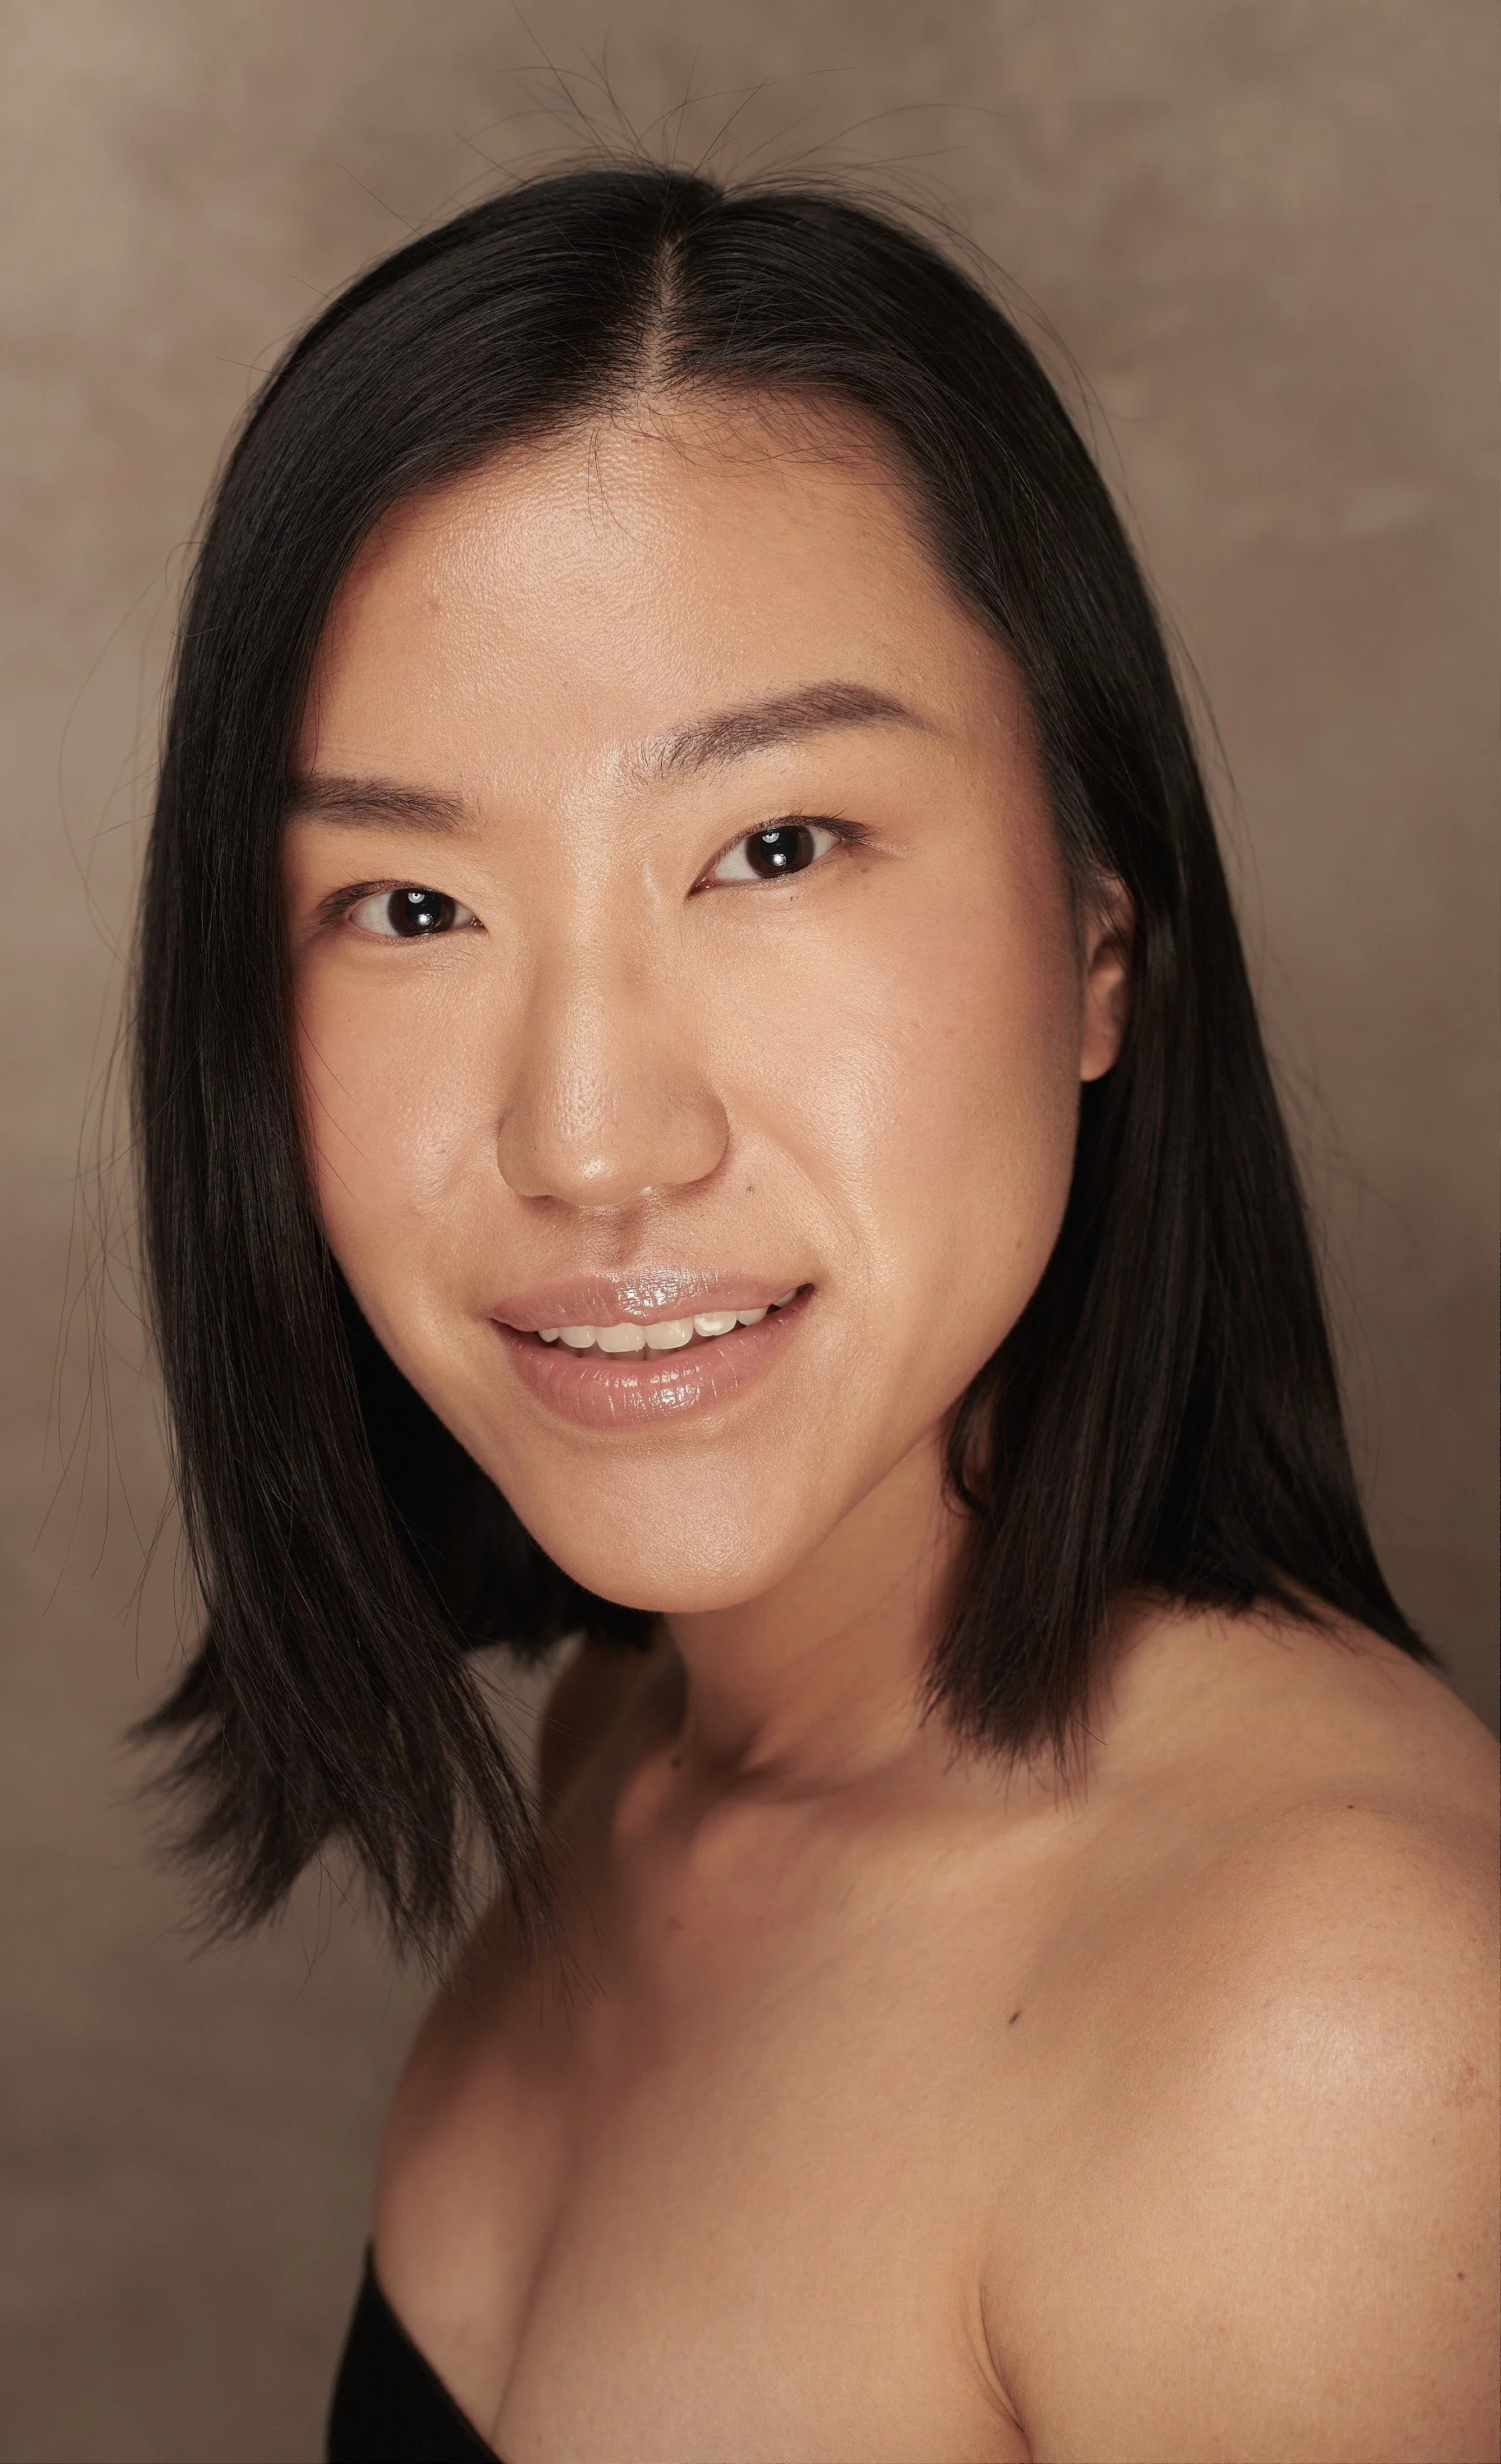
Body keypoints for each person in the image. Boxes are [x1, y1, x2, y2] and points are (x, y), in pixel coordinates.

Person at [132, 164, 1498, 2463]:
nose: (589, 1137)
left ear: (1098, 931)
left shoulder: (1331, 2043)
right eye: (404, 899)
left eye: (771, 849)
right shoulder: (629, 1734)